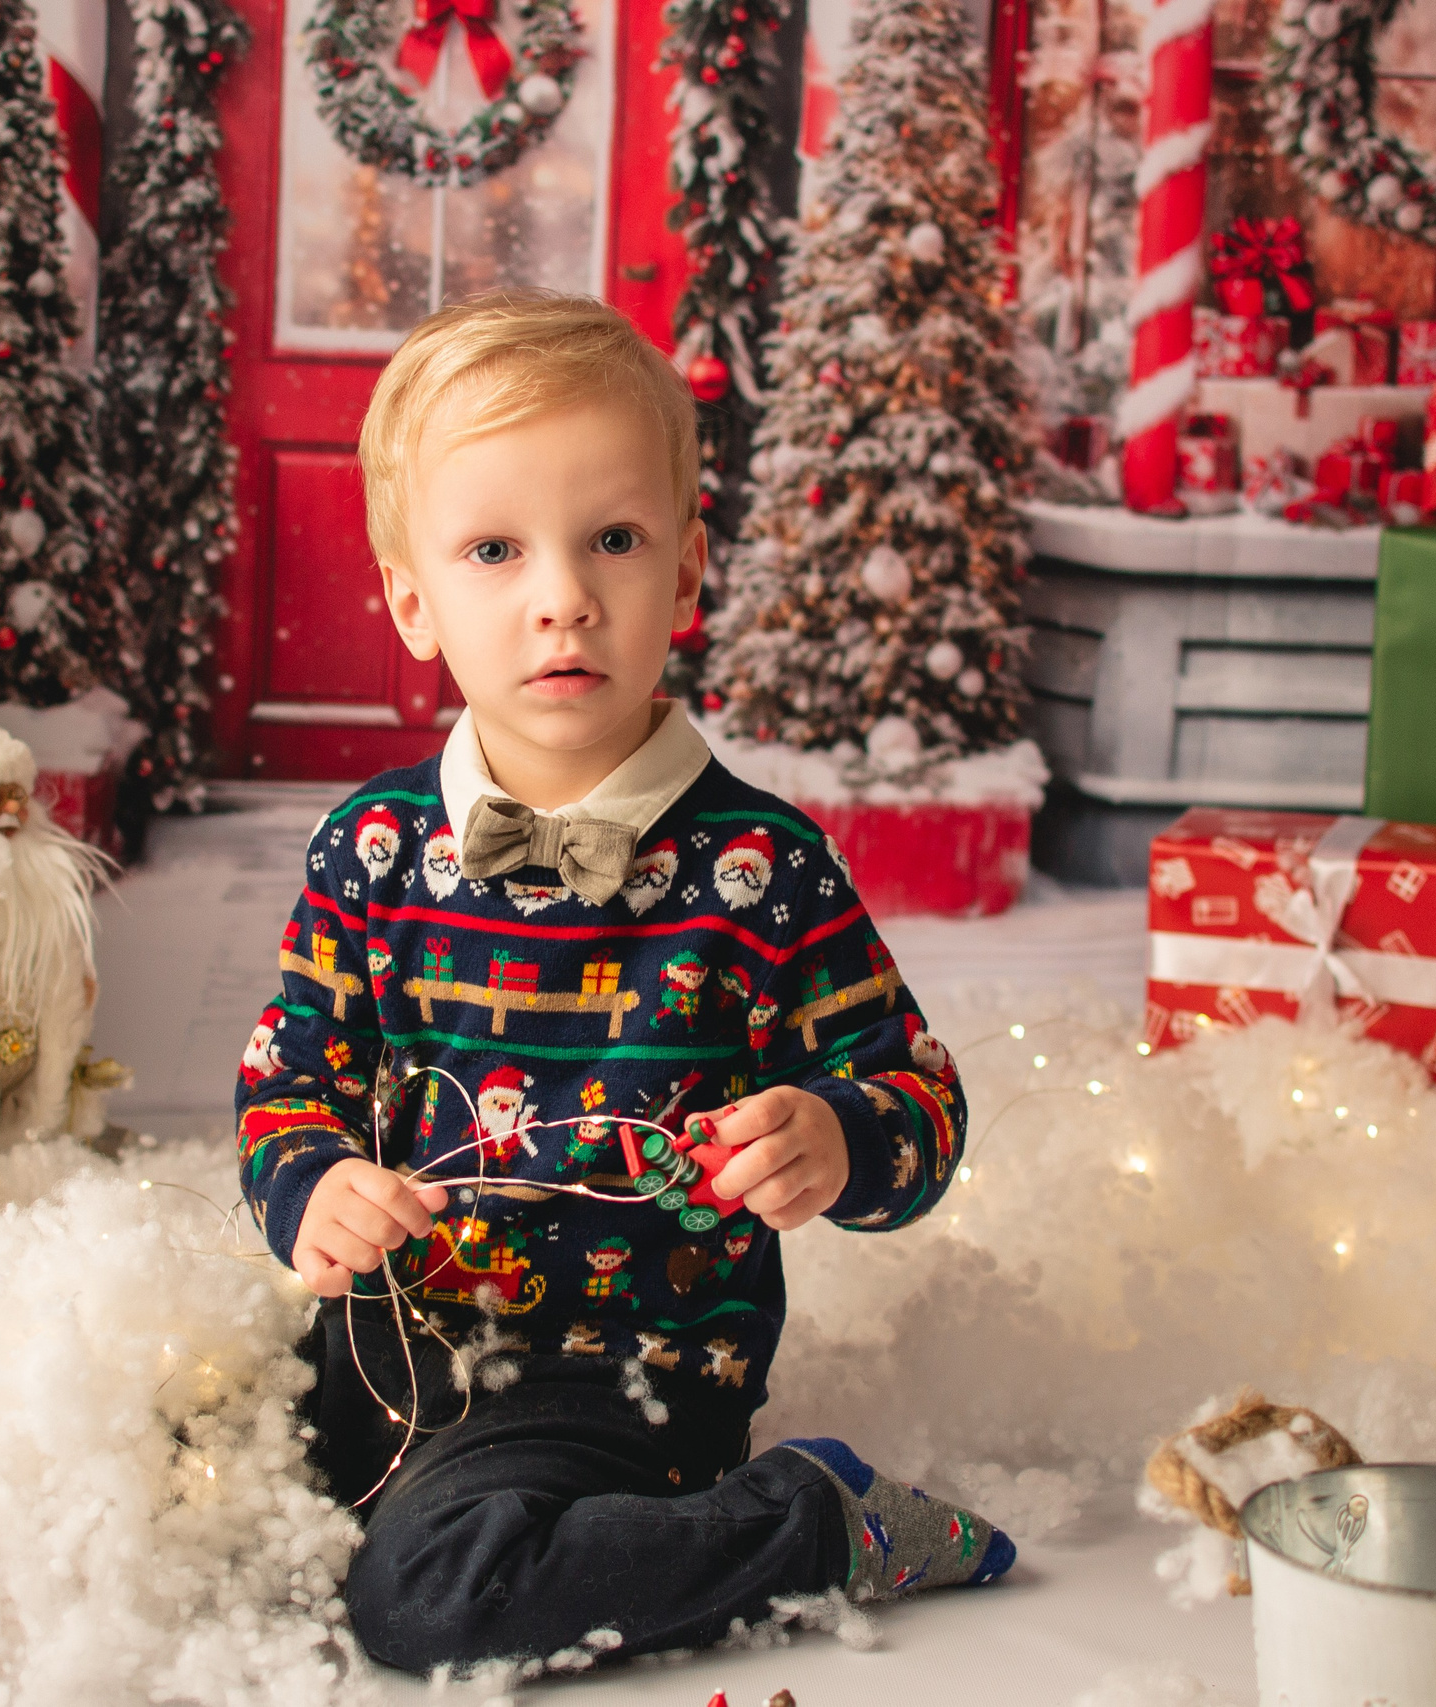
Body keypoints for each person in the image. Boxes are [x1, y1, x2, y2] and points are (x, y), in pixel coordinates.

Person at [234, 291, 1012, 1672]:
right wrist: (312, 1185)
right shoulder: (370, 850)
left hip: (625, 1373)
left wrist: (839, 1134)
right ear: (414, 602)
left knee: (427, 1602)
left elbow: (923, 1101)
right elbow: (293, 1081)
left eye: (614, 539)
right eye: (493, 549)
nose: (563, 598)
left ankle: (808, 1523)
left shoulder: (760, 872)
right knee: (195, 1474)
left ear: (689, 572)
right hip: (393, 1339)